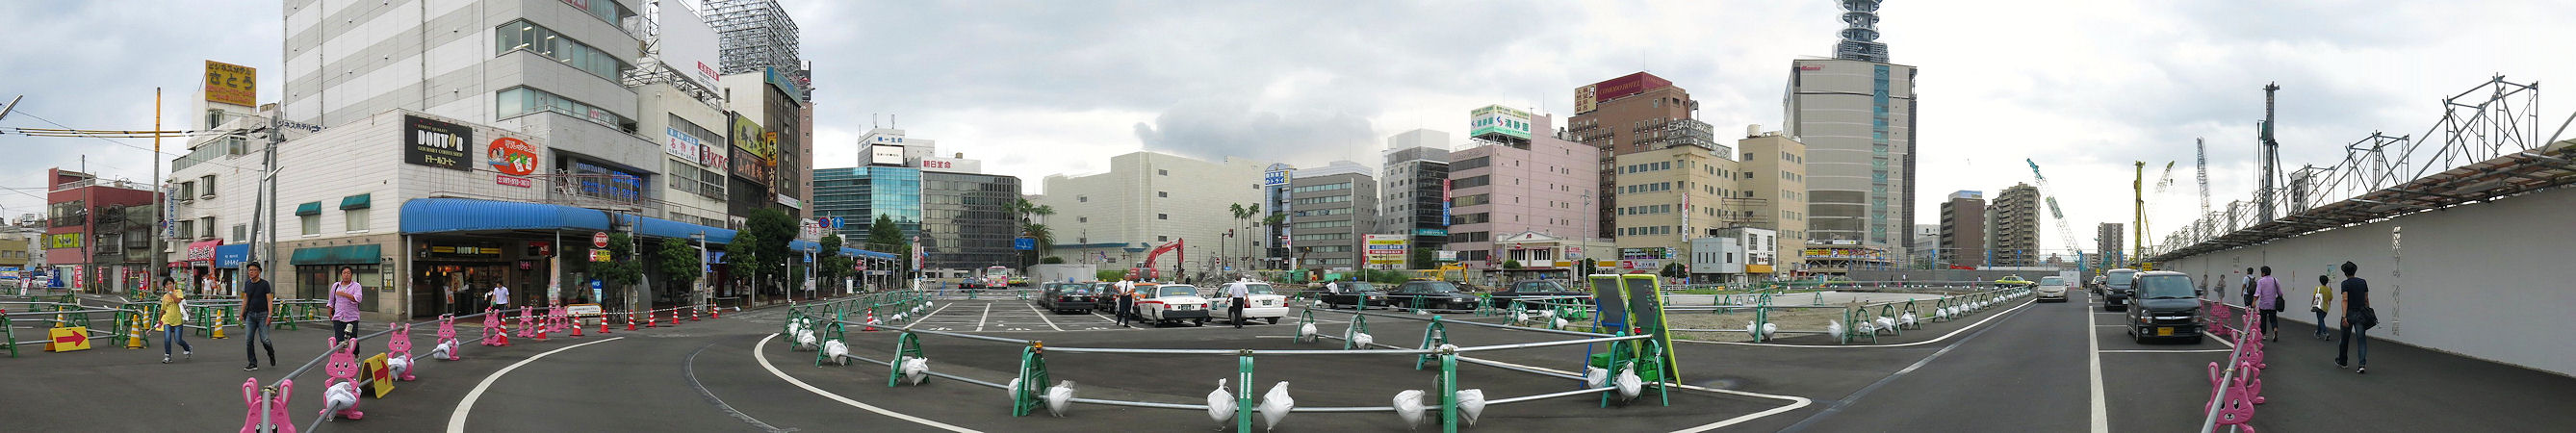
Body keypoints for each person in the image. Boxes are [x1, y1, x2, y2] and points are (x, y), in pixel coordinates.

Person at [2335, 261, 2376, 373]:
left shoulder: (2345, 284)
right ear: (2355, 271)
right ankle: (2361, 364)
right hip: (2361, 314)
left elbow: (2345, 300)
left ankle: (2343, 361)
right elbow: (2366, 299)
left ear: (2345, 273)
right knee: (2361, 340)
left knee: (2344, 339)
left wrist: (2344, 316)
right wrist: (2367, 311)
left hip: (2349, 313)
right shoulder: (2363, 282)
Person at [241, 263, 277, 371]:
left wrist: (269, 315)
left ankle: (271, 353)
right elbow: (245, 299)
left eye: (254, 270)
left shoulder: (265, 284)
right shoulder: (248, 283)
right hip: (250, 315)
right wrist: (241, 314)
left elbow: (269, 300)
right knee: (248, 340)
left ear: (259, 272)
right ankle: (252, 363)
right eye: (250, 270)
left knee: (264, 339)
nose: (251, 272)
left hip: (263, 315)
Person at [329, 267, 365, 354]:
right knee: (339, 341)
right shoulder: (336, 286)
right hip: (338, 317)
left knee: (353, 340)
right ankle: (342, 359)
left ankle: (356, 355)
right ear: (341, 275)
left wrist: (344, 294)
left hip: (352, 318)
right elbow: (331, 300)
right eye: (344, 273)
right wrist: (329, 313)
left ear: (351, 275)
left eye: (348, 273)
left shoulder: (356, 286)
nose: (346, 275)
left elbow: (358, 299)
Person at [159, 278, 193, 364]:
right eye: (167, 284)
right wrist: (159, 320)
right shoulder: (165, 297)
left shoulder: (178, 292)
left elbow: (177, 301)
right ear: (165, 287)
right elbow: (163, 309)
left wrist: (171, 293)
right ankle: (168, 356)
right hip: (167, 320)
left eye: (170, 283)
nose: (169, 285)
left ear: (173, 284)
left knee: (178, 340)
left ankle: (187, 348)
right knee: (167, 339)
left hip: (177, 320)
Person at [2254, 267, 2281, 342]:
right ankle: (2275, 329)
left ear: (2263, 273)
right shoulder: (2275, 280)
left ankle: (2264, 335)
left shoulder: (2260, 281)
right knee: (2273, 319)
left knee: (2263, 320)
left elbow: (2257, 293)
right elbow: (2280, 293)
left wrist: (2254, 301)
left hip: (2263, 304)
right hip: (2273, 304)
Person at [2310, 274, 2334, 340]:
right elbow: (2330, 299)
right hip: (2326, 308)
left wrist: (2312, 304)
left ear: (2320, 281)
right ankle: (2318, 333)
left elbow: (2314, 297)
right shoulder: (2328, 290)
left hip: (2318, 307)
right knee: (2320, 320)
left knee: (2320, 320)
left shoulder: (2318, 288)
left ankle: (2326, 333)